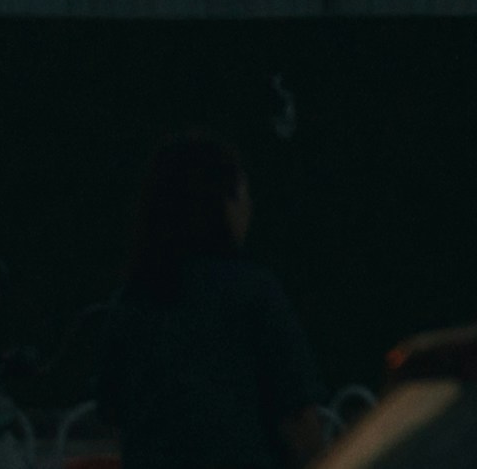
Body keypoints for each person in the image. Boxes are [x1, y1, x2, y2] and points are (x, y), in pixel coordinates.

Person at [95, 129, 331, 469]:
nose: (248, 207)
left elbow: (113, 412)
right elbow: (298, 419)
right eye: (242, 194)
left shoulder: (132, 301)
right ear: (222, 203)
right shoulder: (253, 293)